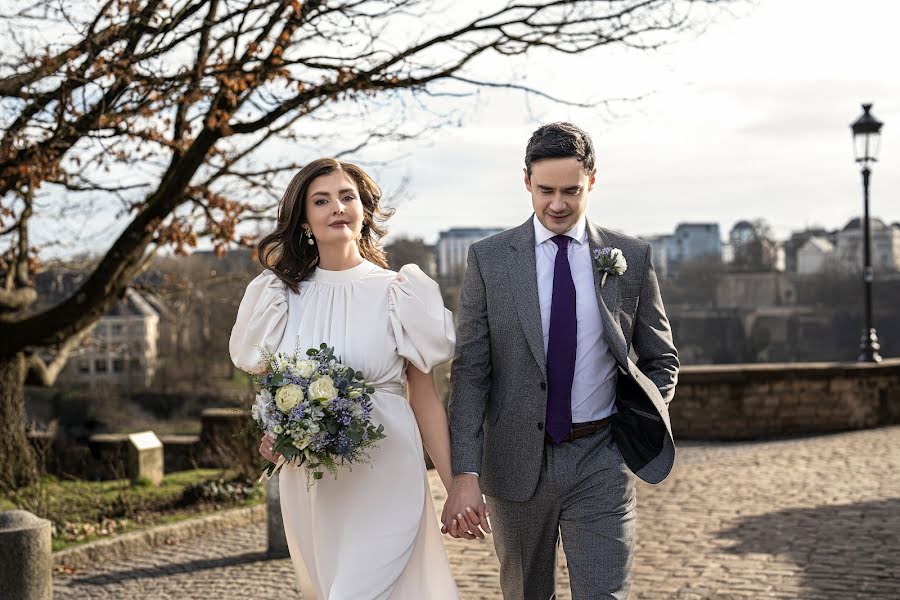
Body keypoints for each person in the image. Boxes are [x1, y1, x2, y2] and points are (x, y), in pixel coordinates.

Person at [444, 122, 680, 599]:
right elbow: (470, 374)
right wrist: (464, 473)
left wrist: (635, 422)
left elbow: (661, 358)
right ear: (526, 181)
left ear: (592, 180)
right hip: (513, 463)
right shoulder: (489, 260)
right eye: (545, 189)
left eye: (571, 190)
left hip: (601, 460)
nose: (557, 204)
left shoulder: (630, 257)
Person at [229, 158, 460, 599]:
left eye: (346, 196)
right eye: (321, 200)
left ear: (364, 210)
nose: (337, 207)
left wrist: (456, 487)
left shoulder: (400, 292)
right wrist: (275, 431)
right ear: (303, 221)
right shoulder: (278, 295)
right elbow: (274, 393)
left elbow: (424, 398)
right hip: (313, 481)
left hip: (388, 471)